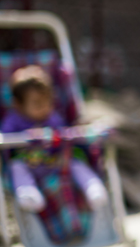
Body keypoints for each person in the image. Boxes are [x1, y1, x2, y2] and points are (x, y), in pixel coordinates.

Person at [2, 65, 108, 213]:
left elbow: (63, 134)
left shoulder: (53, 118)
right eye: (38, 104)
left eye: (48, 102)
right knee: (16, 168)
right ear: (18, 105)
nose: (45, 108)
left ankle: (93, 187)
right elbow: (5, 139)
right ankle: (28, 194)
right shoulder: (13, 121)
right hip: (29, 163)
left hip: (53, 162)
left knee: (74, 162)